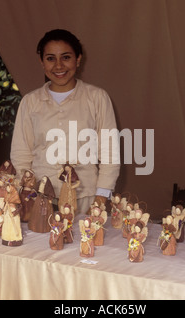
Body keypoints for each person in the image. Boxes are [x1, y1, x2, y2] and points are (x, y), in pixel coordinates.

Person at [10, 29, 120, 217]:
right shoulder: (30, 102)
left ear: (78, 59)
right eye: (51, 58)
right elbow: (21, 155)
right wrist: (26, 193)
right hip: (39, 197)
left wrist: (100, 198)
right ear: (42, 62)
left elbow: (110, 154)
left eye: (66, 57)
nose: (59, 66)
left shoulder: (97, 98)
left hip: (86, 199)